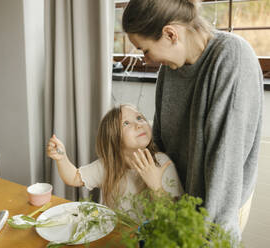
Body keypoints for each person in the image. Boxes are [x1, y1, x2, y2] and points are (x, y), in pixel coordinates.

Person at [122, 0, 263, 240]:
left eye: (144, 50)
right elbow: (161, 142)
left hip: (217, 210)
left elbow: (224, 169)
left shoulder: (231, 59)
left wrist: (206, 238)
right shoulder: (170, 69)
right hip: (179, 204)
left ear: (170, 34)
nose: (146, 60)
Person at [46, 104, 184, 209]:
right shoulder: (108, 165)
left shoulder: (161, 163)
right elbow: (74, 178)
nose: (138, 125)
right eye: (126, 123)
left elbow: (174, 213)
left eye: (139, 118)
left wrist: (156, 186)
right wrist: (62, 158)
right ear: (113, 139)